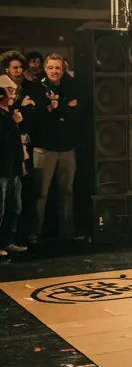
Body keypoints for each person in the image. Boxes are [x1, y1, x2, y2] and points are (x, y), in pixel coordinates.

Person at [20, 52, 79, 243]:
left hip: (67, 148)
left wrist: (58, 109)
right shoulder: (36, 88)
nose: (55, 71)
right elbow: (34, 116)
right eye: (51, 67)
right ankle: (34, 233)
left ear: (63, 70)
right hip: (44, 149)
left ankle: (67, 232)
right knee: (40, 193)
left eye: (58, 68)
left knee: (67, 192)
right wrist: (57, 109)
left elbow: (75, 113)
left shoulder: (70, 87)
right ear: (45, 68)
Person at [0, 86, 26, 257]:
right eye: (8, 94)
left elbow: (16, 143)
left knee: (15, 206)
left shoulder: (10, 114)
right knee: (0, 208)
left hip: (13, 168)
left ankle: (7, 241)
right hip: (1, 168)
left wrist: (21, 164)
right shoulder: (5, 118)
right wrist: (14, 123)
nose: (12, 96)